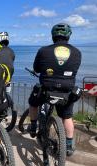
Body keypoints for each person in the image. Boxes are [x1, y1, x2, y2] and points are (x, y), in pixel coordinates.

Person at [27, 23, 82, 157]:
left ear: (53, 36)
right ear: (68, 36)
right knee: (67, 117)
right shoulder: (77, 52)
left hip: (46, 90)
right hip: (67, 92)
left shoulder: (43, 50)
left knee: (33, 103)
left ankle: (33, 126)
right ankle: (68, 145)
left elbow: (37, 68)